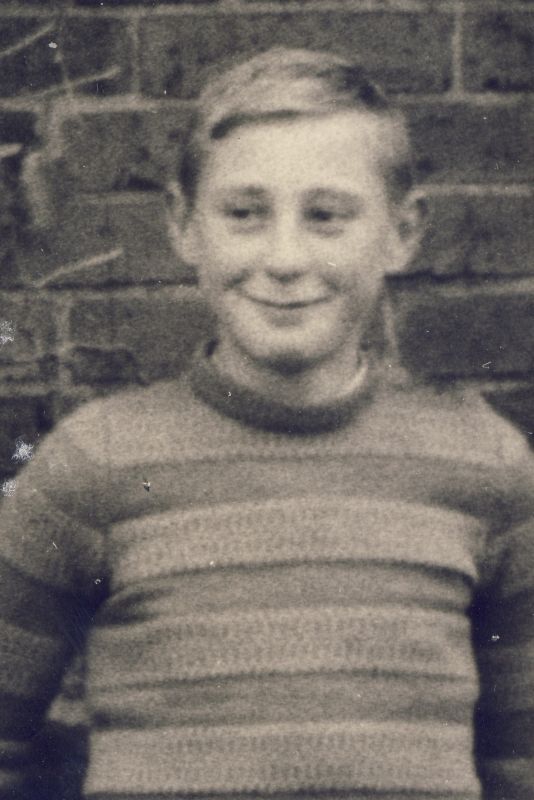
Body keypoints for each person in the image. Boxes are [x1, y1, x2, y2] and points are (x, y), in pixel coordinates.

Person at [1, 46, 533, 800]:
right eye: (245, 214)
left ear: (402, 231)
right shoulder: (97, 463)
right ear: (184, 225)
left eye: (327, 216)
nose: (284, 258)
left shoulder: (486, 467)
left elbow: (522, 761)